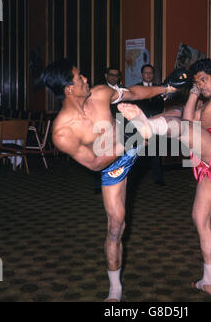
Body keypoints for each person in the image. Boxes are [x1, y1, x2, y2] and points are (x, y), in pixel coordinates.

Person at [41, 59, 184, 302]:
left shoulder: (100, 93)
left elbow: (136, 92)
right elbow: (96, 163)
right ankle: (115, 287)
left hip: (132, 135)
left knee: (177, 118)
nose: (86, 79)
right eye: (79, 77)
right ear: (69, 89)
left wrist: (166, 89)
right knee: (116, 226)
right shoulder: (62, 132)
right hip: (112, 164)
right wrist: (134, 138)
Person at [117, 59, 211, 296]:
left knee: (177, 121)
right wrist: (193, 90)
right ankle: (209, 280)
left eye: (203, 79)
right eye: (197, 82)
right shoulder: (206, 98)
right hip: (210, 161)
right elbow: (191, 119)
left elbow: (189, 123)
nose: (201, 85)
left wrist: (196, 97)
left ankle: (146, 126)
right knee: (200, 220)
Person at [132, 64, 165, 186]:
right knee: (138, 152)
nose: (148, 75)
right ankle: (134, 179)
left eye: (150, 73)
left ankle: (158, 178)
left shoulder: (159, 88)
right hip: (140, 125)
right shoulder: (136, 88)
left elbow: (161, 106)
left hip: (155, 124)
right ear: (142, 74)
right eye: (146, 73)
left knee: (156, 152)